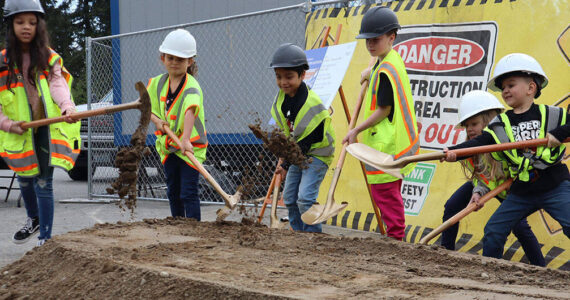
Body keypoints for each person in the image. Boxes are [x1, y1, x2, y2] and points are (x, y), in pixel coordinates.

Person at [444, 53, 569, 261]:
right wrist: (453, 152)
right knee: (493, 231)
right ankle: (491, 279)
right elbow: (479, 143)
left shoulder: (552, 114)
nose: (505, 91)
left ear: (531, 88)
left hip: (554, 185)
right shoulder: (499, 124)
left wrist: (560, 133)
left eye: (511, 85)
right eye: (503, 88)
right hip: (522, 192)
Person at [0, 0, 80, 246]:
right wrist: (7, 123)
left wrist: (67, 106)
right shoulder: (2, 62)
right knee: (25, 179)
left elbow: (58, 84)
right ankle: (33, 220)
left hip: (45, 127)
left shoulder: (48, 56)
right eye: (20, 22)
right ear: (11, 25)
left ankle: (45, 238)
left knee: (44, 182)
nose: (26, 27)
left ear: (39, 26)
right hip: (19, 131)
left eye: (32, 23)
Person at [441, 90, 545, 266]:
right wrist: (478, 191)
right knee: (452, 205)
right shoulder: (472, 149)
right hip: (489, 183)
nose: (469, 129)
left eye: (474, 124)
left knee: (518, 226)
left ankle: (540, 266)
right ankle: (445, 252)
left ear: (489, 121)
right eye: (466, 126)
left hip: (512, 187)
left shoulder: (505, 140)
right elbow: (480, 176)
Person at [342, 6, 419, 240]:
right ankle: (394, 236)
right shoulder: (389, 61)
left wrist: (356, 129)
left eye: (375, 40)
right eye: (367, 41)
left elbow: (384, 110)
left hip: (385, 145)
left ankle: (396, 239)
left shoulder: (385, 69)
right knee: (387, 194)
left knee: (385, 194)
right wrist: (369, 71)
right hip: (391, 144)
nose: (370, 46)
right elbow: (379, 70)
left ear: (391, 37)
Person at [270, 43, 335, 233]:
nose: (283, 82)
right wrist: (282, 158)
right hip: (296, 153)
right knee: (289, 198)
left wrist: (285, 166)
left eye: (289, 76)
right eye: (279, 77)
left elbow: (305, 144)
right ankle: (298, 234)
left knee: (305, 198)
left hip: (317, 154)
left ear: (302, 75)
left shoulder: (311, 104)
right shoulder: (281, 99)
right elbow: (286, 134)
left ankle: (313, 236)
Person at [149, 29, 207, 220]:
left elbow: (190, 111)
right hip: (169, 147)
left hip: (190, 147)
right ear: (162, 58)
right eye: (170, 58)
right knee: (173, 191)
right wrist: (156, 120)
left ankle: (193, 230)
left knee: (188, 192)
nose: (174, 63)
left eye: (180, 59)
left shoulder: (192, 86)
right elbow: (146, 105)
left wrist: (185, 139)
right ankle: (177, 226)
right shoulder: (157, 84)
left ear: (189, 61)